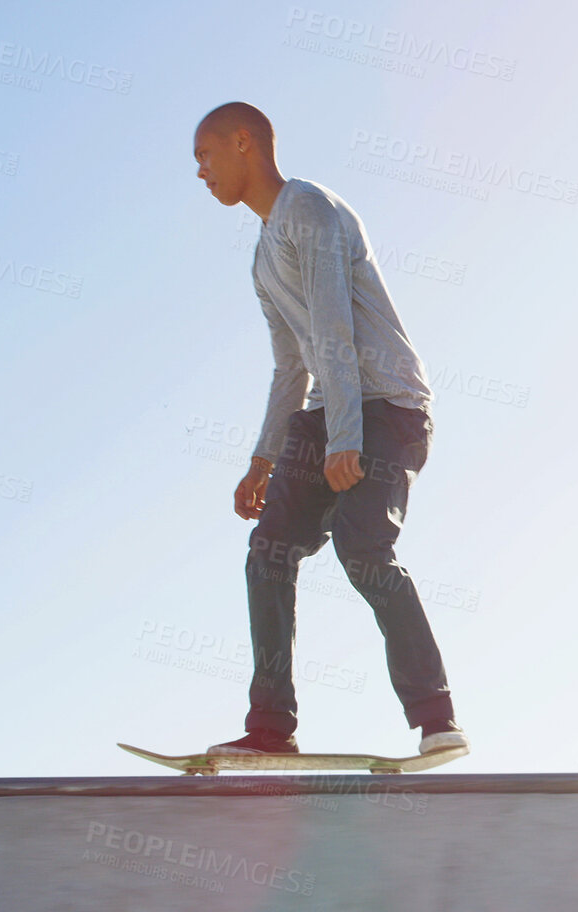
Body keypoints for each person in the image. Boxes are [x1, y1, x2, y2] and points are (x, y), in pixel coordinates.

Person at [191, 102, 465, 756]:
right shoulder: (262, 256)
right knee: (269, 551)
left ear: (242, 143)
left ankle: (437, 719)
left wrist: (346, 437)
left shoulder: (308, 210)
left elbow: (335, 326)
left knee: (363, 548)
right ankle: (269, 727)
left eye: (204, 156)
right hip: (329, 410)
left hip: (388, 407)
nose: (199, 173)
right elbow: (291, 365)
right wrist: (262, 460)